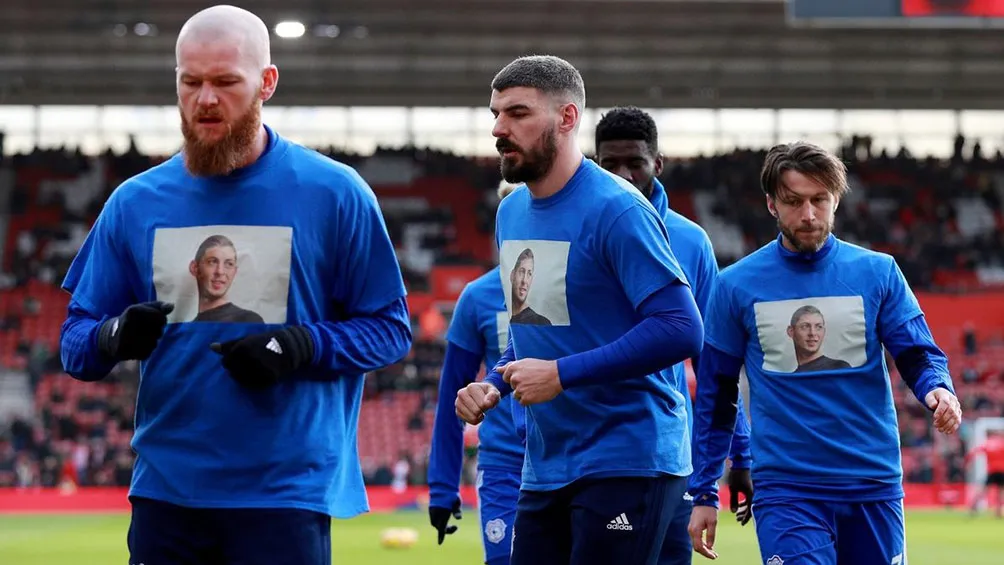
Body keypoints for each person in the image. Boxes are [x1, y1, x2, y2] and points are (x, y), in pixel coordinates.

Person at [58, 5, 412, 565]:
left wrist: (298, 346)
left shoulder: (335, 194)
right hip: (166, 494)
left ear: (267, 83)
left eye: (225, 82)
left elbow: (389, 331)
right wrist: (114, 336)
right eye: (190, 82)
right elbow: (75, 344)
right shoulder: (134, 202)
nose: (204, 100)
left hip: (284, 496)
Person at [455, 54, 705, 565]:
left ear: (567, 118)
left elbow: (682, 328)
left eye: (518, 113)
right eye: (496, 114)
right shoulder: (511, 211)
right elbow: (532, 329)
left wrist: (562, 374)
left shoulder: (617, 209)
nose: (500, 129)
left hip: (628, 459)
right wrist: (495, 382)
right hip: (546, 464)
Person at [687, 141, 962, 564]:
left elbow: (917, 351)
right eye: (794, 202)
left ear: (836, 200)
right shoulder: (735, 286)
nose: (809, 214)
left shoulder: (877, 272)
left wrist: (938, 389)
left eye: (820, 200)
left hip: (872, 484)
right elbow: (717, 393)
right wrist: (705, 489)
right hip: (788, 490)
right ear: (771, 204)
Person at [593, 106, 753, 565]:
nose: (623, 174)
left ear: (657, 164)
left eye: (635, 163)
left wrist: (739, 456)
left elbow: (715, 362)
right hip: (597, 448)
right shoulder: (580, 231)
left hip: (669, 453)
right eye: (610, 164)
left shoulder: (690, 242)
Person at [428, 180, 526, 565]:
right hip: (503, 461)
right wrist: (442, 486)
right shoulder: (478, 297)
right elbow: (452, 393)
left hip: (567, 458)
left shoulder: (578, 289)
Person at [964, 429, 1004, 518]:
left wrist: (967, 462)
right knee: (1001, 492)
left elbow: (973, 452)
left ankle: (973, 507)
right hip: (1001, 471)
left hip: (992, 471)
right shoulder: (1002, 443)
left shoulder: (987, 443)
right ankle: (998, 512)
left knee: (983, 491)